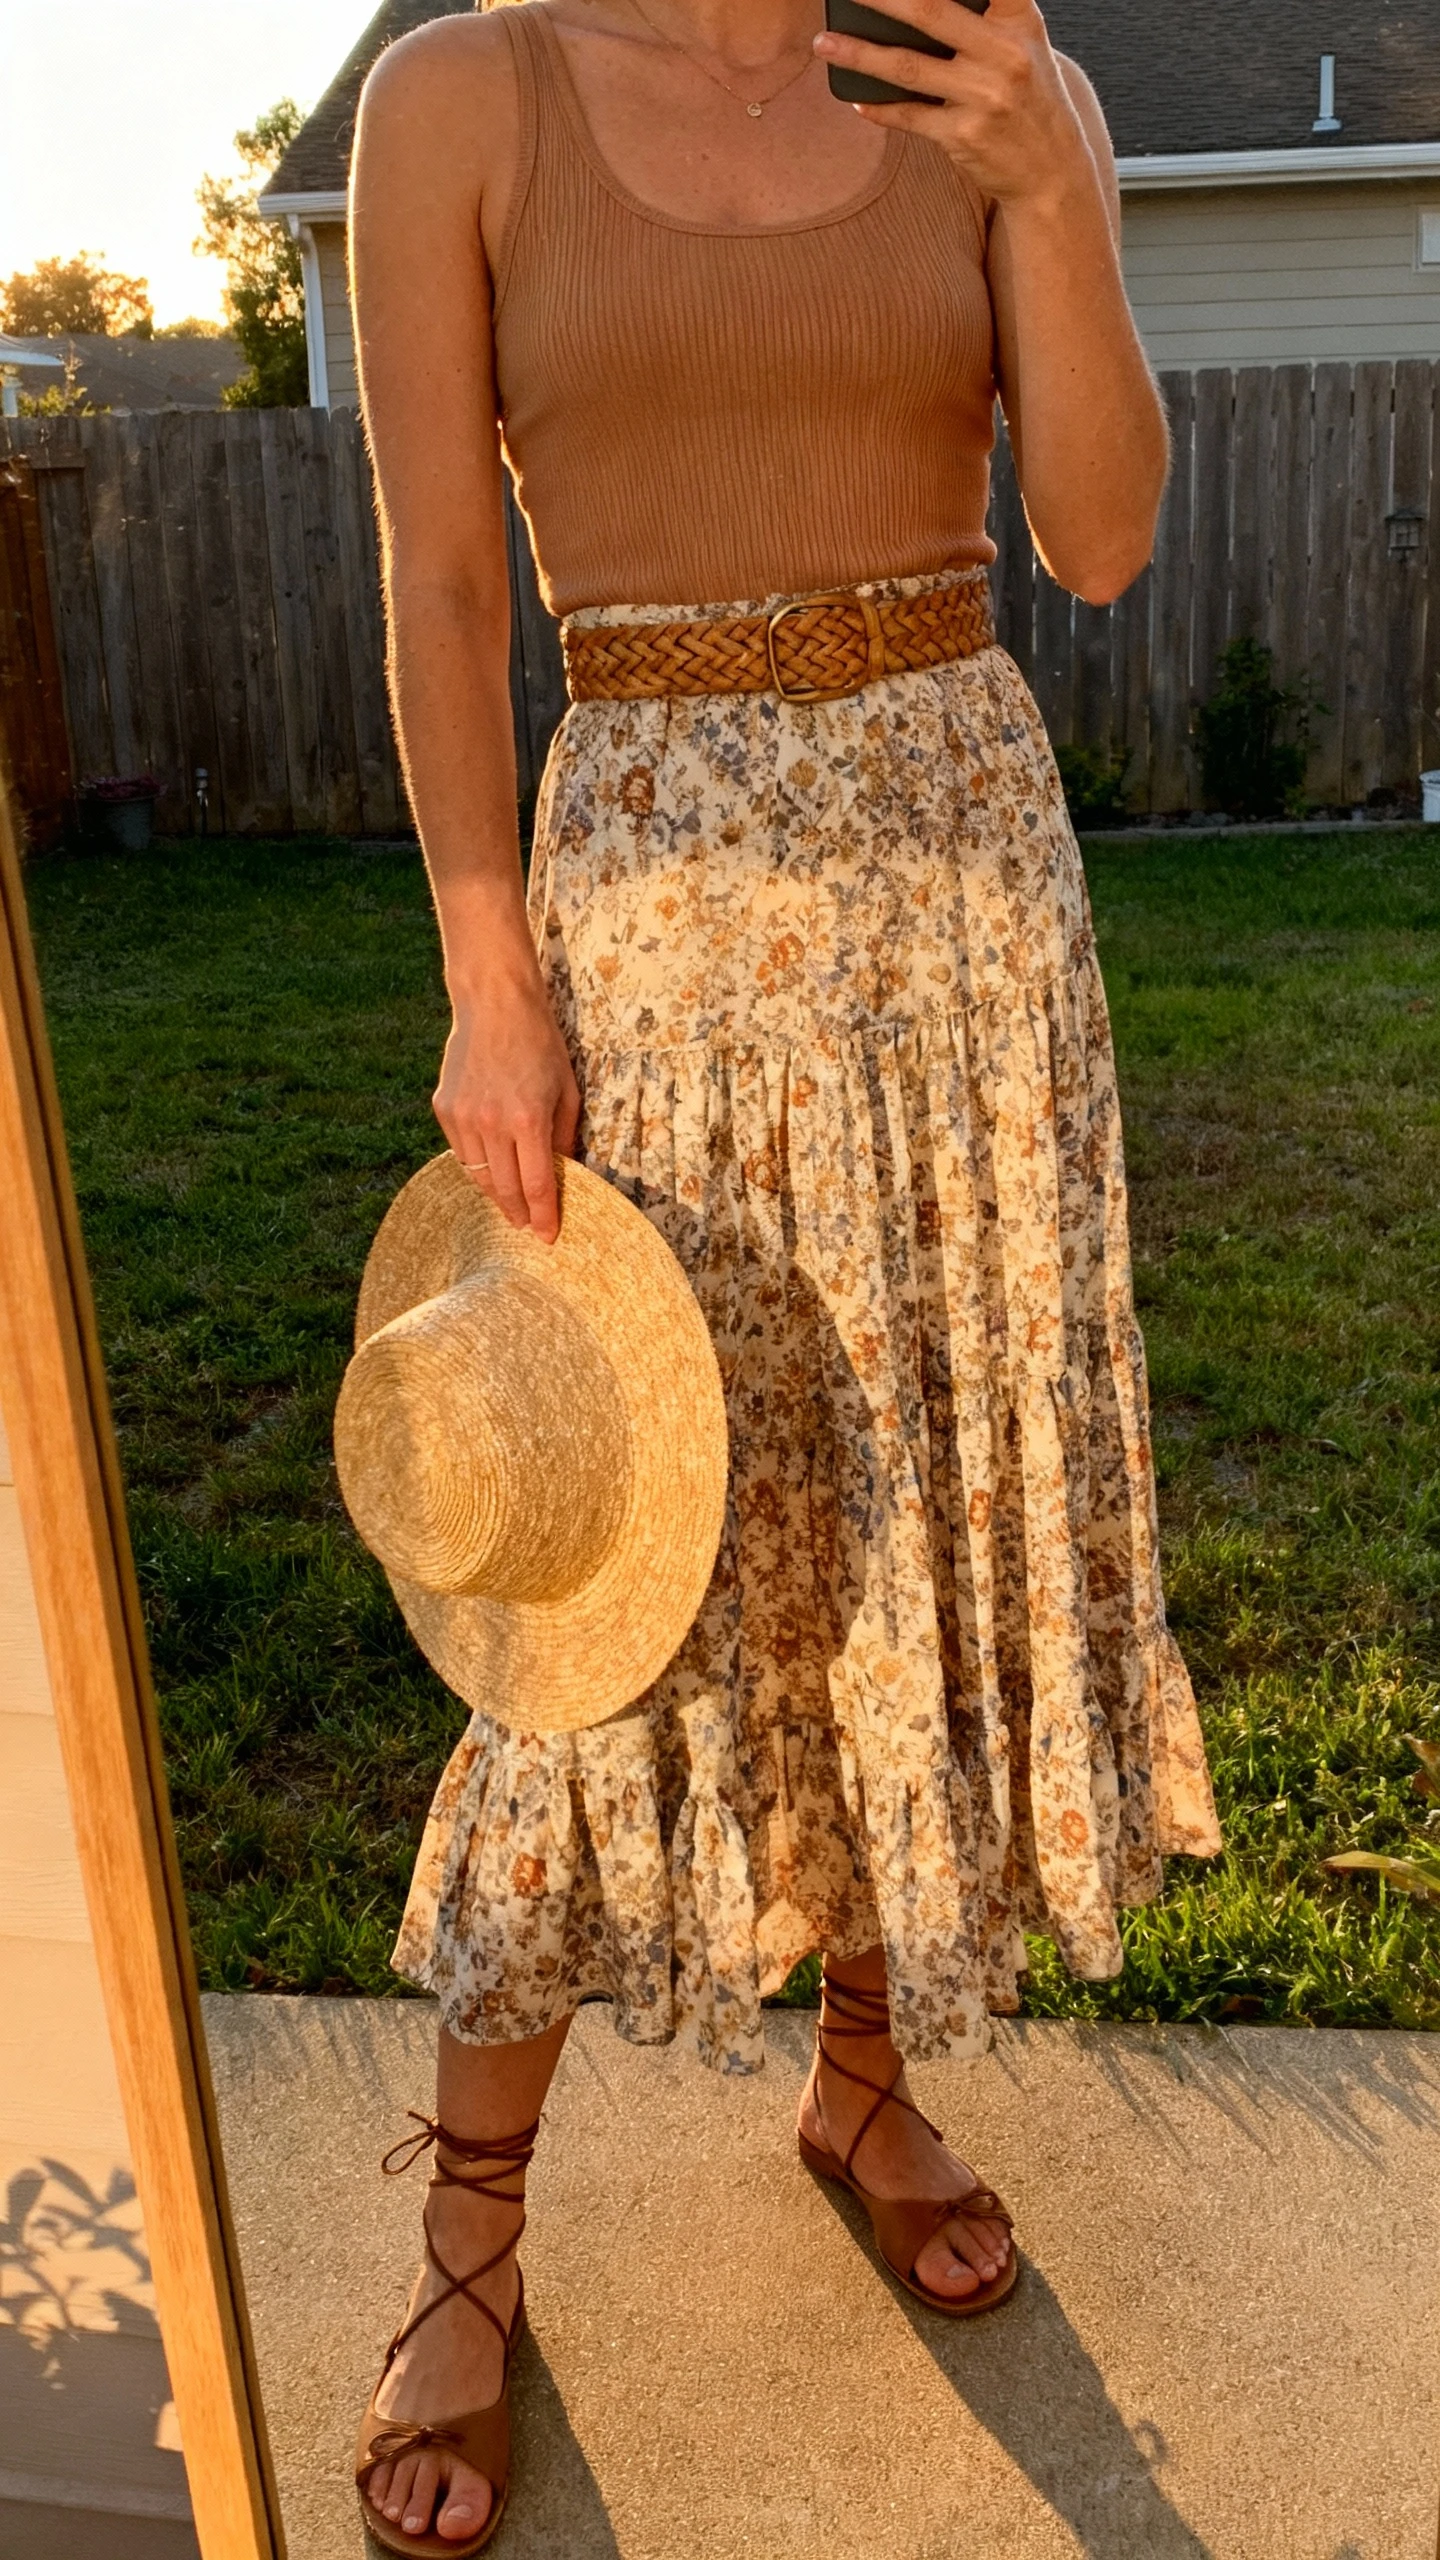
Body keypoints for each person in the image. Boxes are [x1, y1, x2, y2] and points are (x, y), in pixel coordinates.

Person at [349, 0, 1222, 2542]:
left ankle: (864, 2074)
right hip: (651, 920)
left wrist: (1056, 185)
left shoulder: (983, 78)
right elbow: (428, 570)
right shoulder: (463, 96)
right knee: (610, 1555)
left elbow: (1103, 537)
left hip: (962, 912)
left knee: (908, 1524)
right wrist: (487, 967)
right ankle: (470, 2231)